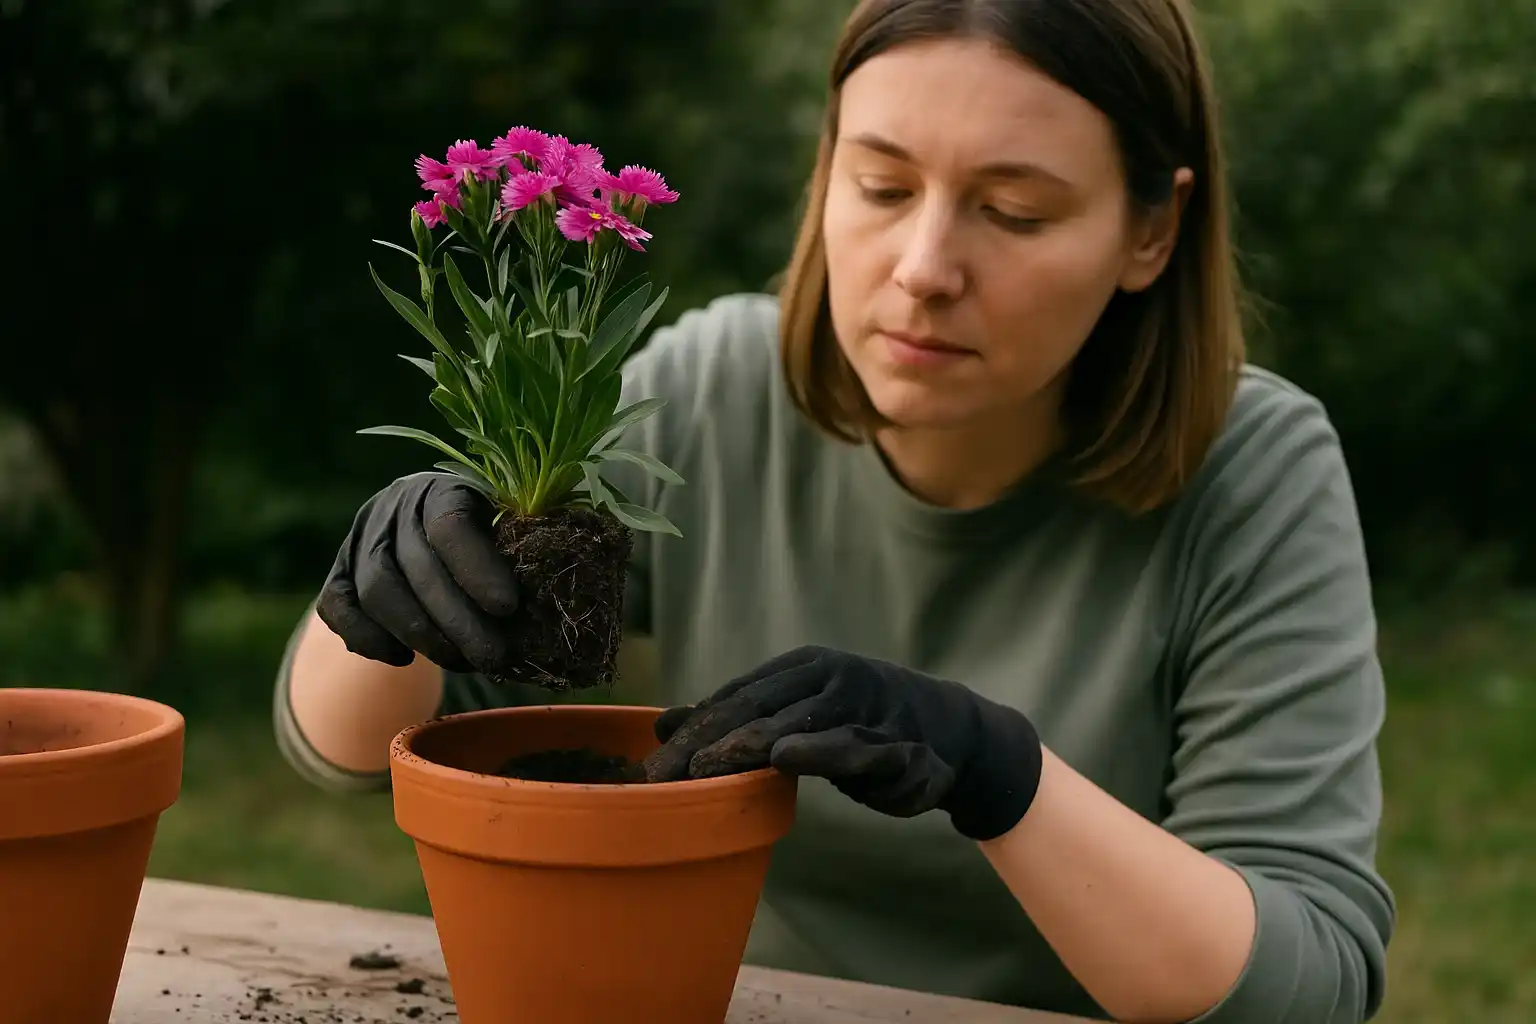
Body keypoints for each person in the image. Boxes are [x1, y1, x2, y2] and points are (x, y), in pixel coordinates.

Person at [274, 0, 1396, 1021]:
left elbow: (1308, 984)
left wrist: (1002, 774)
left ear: (1151, 231)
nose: (923, 267)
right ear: (823, 174)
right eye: (882, 186)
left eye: (1012, 210)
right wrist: (380, 595)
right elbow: (358, 755)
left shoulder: (1250, 470)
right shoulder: (713, 391)